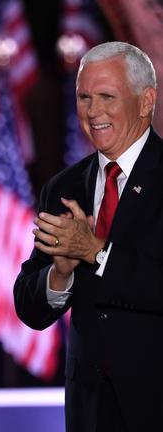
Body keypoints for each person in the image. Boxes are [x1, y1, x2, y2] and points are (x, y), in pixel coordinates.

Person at [14, 41, 163, 431]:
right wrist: (59, 274)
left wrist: (95, 252)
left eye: (106, 96)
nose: (93, 111)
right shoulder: (65, 187)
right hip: (89, 409)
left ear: (146, 101)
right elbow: (30, 309)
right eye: (84, 97)